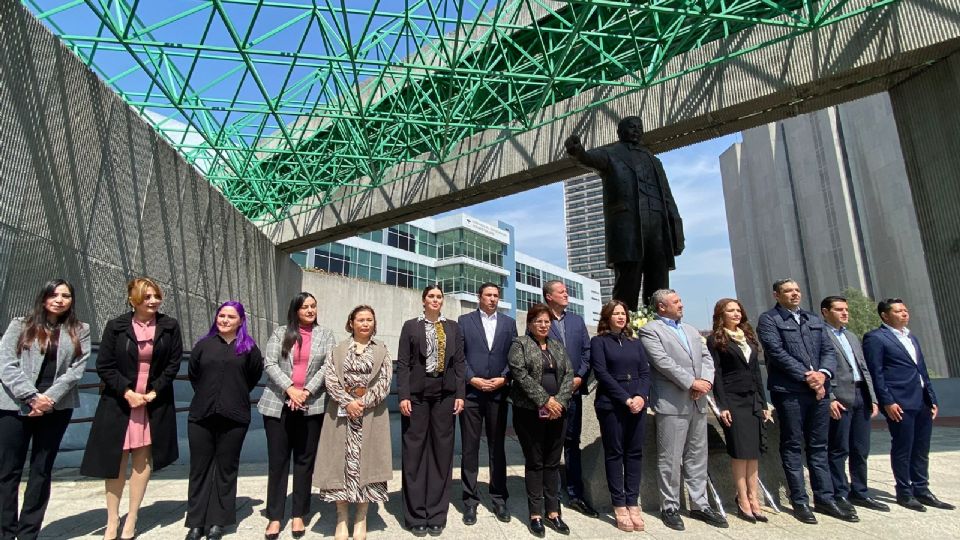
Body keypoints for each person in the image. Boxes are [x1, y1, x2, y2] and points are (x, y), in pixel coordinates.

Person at [81, 277, 184, 540]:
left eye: (156, 296)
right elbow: (104, 365)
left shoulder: (170, 326)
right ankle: (112, 519)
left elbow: (173, 365)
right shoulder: (116, 326)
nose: (153, 301)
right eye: (147, 297)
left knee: (142, 460)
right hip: (120, 402)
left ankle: (133, 517)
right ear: (133, 300)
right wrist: (128, 392)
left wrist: (152, 392)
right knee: (115, 462)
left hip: (152, 403)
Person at [756, 279, 855, 524]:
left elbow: (828, 351)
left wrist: (823, 375)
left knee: (819, 446)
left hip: (819, 391)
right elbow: (776, 352)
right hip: (789, 391)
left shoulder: (813, 319)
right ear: (777, 295)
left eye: (797, 290)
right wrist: (807, 376)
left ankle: (825, 498)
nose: (795, 294)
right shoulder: (770, 320)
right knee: (792, 445)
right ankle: (799, 500)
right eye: (788, 291)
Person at [0, 279, 90, 540]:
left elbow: (76, 370)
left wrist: (47, 399)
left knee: (41, 469)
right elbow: (6, 364)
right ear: (43, 297)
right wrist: (30, 396)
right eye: (54, 294)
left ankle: (28, 533)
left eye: (66, 295)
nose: (60, 299)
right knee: (8, 471)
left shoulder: (79, 329)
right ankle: (6, 533)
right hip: (13, 406)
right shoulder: (20, 325)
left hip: (56, 407)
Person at [564, 116, 684, 311]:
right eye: (631, 127)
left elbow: (668, 197)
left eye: (639, 127)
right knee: (628, 280)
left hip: (658, 227)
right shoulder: (611, 154)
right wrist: (576, 151)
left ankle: (657, 323)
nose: (636, 130)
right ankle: (622, 326)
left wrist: (676, 230)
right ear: (620, 132)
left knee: (659, 282)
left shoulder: (655, 161)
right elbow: (588, 158)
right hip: (628, 228)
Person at [639, 289, 726, 531]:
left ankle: (699, 504)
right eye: (675, 302)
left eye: (680, 301)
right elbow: (662, 362)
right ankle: (670, 506)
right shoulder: (650, 330)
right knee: (670, 457)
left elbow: (707, 358)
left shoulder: (690, 330)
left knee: (698, 455)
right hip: (672, 402)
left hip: (698, 401)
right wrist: (691, 382)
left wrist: (706, 382)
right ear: (661, 307)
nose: (681, 305)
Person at [863, 298, 955, 512]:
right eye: (898, 311)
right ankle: (904, 492)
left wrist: (931, 398)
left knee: (921, 448)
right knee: (904, 446)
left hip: (921, 400)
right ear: (885, 316)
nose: (904, 314)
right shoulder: (875, 338)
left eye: (905, 310)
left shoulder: (910, 336)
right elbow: (876, 373)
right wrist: (887, 401)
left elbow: (921, 369)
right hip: (899, 402)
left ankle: (922, 489)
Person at [258, 292, 335, 540]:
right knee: (278, 463)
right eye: (305, 307)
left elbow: (328, 366)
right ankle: (274, 516)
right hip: (279, 404)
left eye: (313, 306)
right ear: (296, 310)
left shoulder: (326, 335)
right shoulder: (281, 332)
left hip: (311, 405)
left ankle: (299, 513)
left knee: (304, 462)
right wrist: (290, 388)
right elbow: (269, 363)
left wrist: (307, 391)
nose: (310, 310)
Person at [184, 302, 264, 540]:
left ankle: (219, 521)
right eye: (222, 316)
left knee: (226, 469)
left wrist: (231, 394)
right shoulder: (203, 345)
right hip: (202, 415)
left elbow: (252, 376)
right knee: (199, 469)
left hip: (234, 416)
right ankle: (196, 522)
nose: (225, 320)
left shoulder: (249, 349)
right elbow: (194, 375)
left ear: (241, 320)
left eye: (231, 317)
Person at [314, 305, 393, 540]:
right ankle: (341, 517)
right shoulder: (338, 350)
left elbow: (385, 381)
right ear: (351, 322)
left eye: (369, 319)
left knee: (368, 464)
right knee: (340, 464)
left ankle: (361, 517)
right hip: (341, 414)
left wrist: (364, 402)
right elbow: (330, 378)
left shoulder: (382, 350)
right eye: (360, 319)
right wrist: (348, 402)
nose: (365, 323)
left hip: (370, 415)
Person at [397, 285, 465, 537]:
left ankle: (436, 514)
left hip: (445, 395)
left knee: (441, 452)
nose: (435, 300)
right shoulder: (411, 326)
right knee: (414, 452)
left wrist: (460, 394)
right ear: (423, 300)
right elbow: (403, 364)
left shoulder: (453, 327)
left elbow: (460, 363)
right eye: (431, 297)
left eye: (439, 297)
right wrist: (403, 395)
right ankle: (415, 515)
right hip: (416, 395)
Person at [509, 304, 574, 538]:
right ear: (529, 324)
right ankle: (535, 513)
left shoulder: (557, 345)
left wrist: (559, 402)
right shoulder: (520, 344)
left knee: (552, 462)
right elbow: (520, 374)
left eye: (547, 321)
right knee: (535, 461)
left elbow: (568, 374)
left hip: (558, 413)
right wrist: (545, 400)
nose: (544, 325)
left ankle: (553, 511)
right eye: (538, 321)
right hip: (529, 413)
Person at [820, 296, 888, 513]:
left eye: (846, 309)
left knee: (860, 448)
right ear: (825, 312)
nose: (845, 313)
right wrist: (829, 398)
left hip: (862, 396)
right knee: (839, 448)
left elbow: (864, 368)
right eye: (839, 309)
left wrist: (873, 398)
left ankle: (860, 491)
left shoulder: (851, 336)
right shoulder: (820, 335)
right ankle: (840, 493)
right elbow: (821, 368)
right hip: (840, 397)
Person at [706, 298, 772, 524]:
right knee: (739, 450)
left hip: (752, 399)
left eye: (738, 310)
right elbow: (717, 375)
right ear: (720, 315)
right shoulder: (715, 340)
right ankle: (742, 498)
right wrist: (721, 406)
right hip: (732, 401)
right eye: (730, 311)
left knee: (753, 452)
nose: (735, 314)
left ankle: (754, 498)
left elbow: (756, 373)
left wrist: (763, 404)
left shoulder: (749, 338)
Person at [457, 283, 517, 525]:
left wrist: (504, 377)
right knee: (470, 449)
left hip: (498, 393)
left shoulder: (508, 323)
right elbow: (459, 355)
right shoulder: (464, 320)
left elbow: (514, 355)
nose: (492, 299)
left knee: (497, 448)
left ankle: (499, 497)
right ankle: (470, 501)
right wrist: (472, 378)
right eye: (488, 295)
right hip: (472, 392)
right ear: (478, 297)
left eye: (496, 296)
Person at [590, 300, 650, 532]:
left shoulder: (635, 343)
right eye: (615, 313)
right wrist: (625, 399)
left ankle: (633, 503)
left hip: (638, 403)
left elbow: (645, 372)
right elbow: (602, 374)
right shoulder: (599, 342)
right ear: (607, 317)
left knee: (634, 453)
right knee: (614, 453)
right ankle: (619, 505)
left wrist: (641, 397)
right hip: (612, 404)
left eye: (623, 313)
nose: (620, 317)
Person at [541, 280, 596, 518]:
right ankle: (549, 494)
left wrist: (580, 377)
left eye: (566, 291)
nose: (567, 295)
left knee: (572, 442)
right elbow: (533, 354)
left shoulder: (576, 321)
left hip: (573, 392)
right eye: (561, 291)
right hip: (550, 395)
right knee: (549, 444)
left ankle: (575, 494)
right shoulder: (540, 319)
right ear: (548, 296)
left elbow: (587, 352)